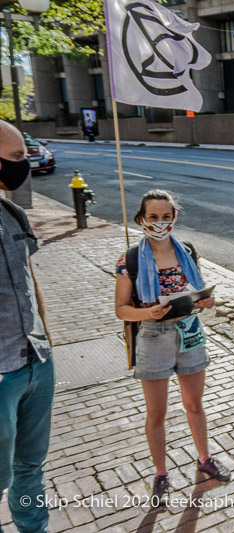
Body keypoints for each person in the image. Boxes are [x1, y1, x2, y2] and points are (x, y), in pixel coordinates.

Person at [115, 190, 230, 506]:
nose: (160, 223)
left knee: (195, 404)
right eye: (153, 217)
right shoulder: (129, 261)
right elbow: (122, 309)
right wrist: (146, 313)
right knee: (157, 413)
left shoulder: (187, 252)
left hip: (189, 332)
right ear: (142, 220)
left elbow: (198, 292)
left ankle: (204, 458)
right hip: (153, 337)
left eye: (166, 217)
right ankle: (161, 474)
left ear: (174, 218)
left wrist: (206, 301)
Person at [0, 121, 53, 533]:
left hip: (36, 361)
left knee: (31, 465)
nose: (25, 164)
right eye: (17, 157)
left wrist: (48, 343)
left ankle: (33, 527)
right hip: (2, 373)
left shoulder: (13, 211)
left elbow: (31, 280)